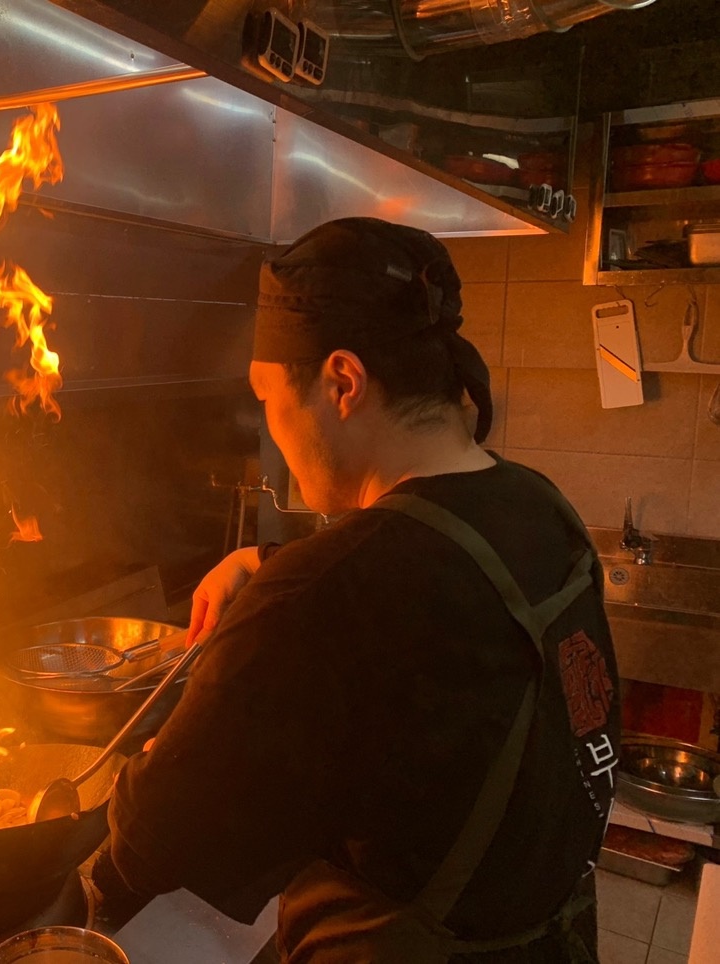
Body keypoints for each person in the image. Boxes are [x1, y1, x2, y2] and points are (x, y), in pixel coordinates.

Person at [103, 217, 619, 963]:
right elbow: (440, 601)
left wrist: (163, 757)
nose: (273, 428)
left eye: (268, 396)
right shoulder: (536, 504)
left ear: (342, 382)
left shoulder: (324, 593)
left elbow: (152, 840)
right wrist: (269, 558)